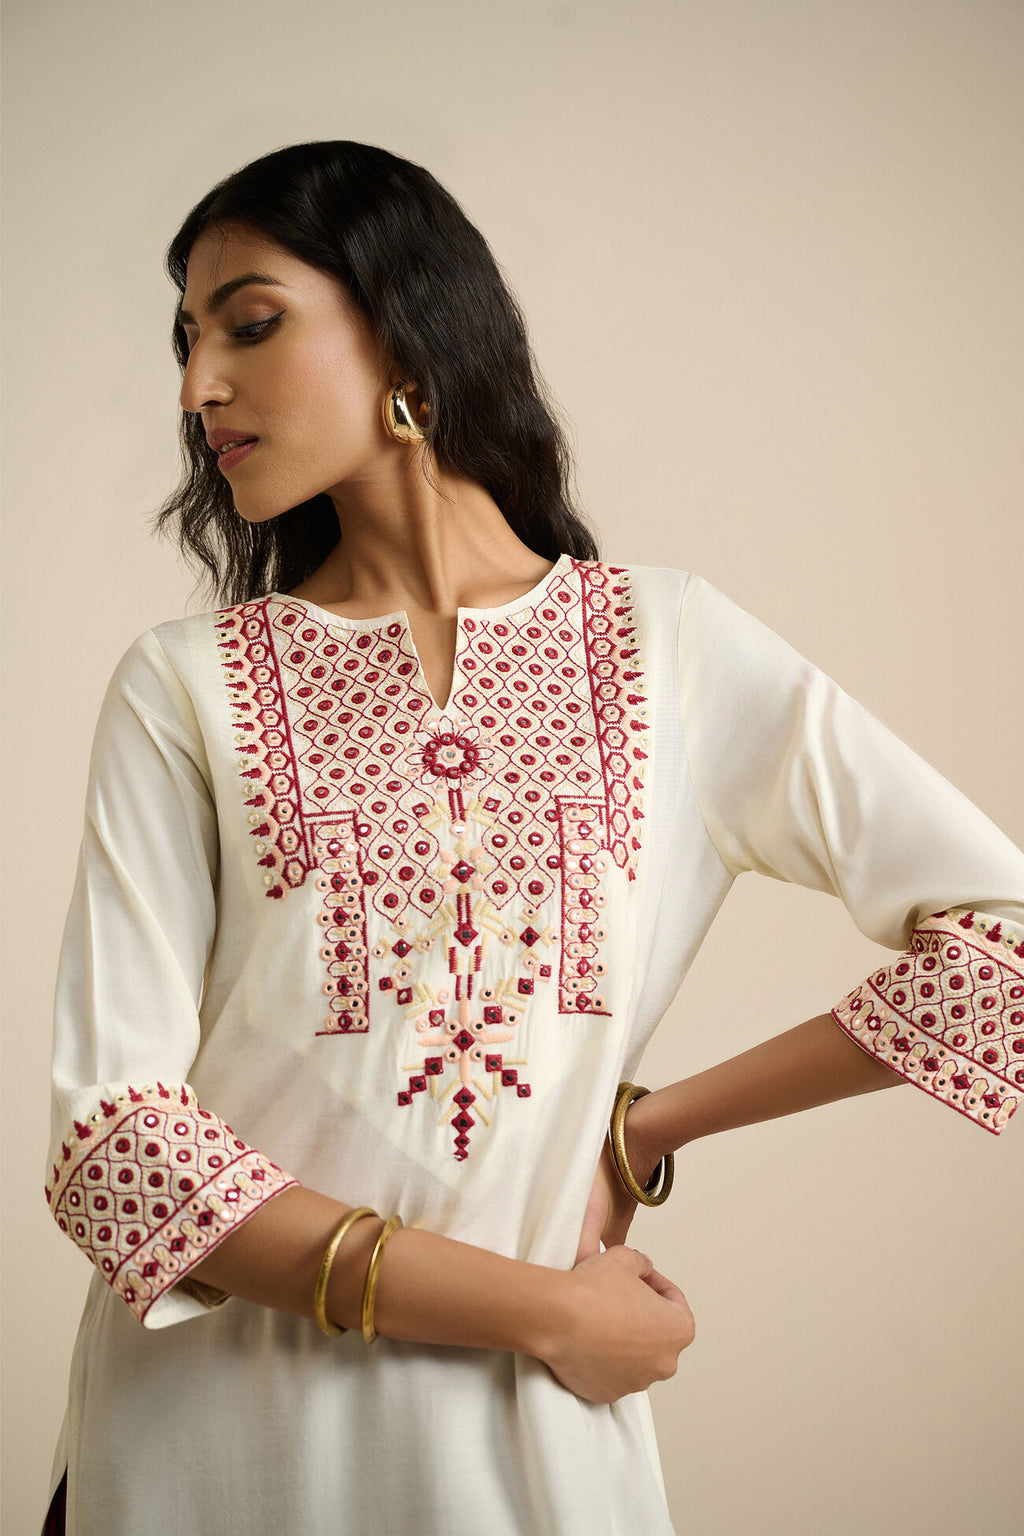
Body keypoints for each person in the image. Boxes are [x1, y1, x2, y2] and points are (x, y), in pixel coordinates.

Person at [42, 140, 1024, 1536]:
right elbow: (118, 1153)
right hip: (217, 1440)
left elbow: (1008, 939)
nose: (200, 387)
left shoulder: (665, 648)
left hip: (513, 1457)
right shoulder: (185, 685)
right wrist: (545, 1309)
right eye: (186, 345)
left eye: (249, 325)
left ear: (406, 323)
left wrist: (644, 1131)